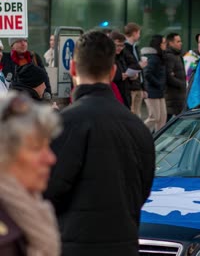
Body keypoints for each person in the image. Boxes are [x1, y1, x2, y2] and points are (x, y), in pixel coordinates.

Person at [44, 31, 155, 256]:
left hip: (71, 247)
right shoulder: (139, 128)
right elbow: (140, 192)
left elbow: (46, 192)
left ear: (73, 68)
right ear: (113, 71)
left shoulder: (62, 125)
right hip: (125, 246)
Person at [0, 92, 61, 256]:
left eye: (48, 146)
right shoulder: (5, 242)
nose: (51, 158)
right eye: (36, 148)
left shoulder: (29, 208)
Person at [141, 35, 167, 132]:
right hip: (152, 92)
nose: (165, 45)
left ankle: (157, 141)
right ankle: (136, 132)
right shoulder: (153, 57)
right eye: (164, 43)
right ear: (159, 45)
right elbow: (147, 73)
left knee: (162, 119)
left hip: (159, 92)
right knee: (154, 117)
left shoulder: (159, 57)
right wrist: (158, 83)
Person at [124, 23, 147, 117]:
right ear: (134, 33)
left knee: (138, 115)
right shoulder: (125, 48)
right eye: (138, 33)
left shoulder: (135, 47)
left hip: (138, 85)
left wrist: (143, 87)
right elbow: (127, 66)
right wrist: (139, 66)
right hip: (130, 86)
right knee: (131, 114)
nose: (139, 35)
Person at [165, 33, 187, 120]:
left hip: (179, 95)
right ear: (170, 43)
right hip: (173, 95)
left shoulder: (178, 55)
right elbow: (169, 76)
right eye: (178, 41)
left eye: (180, 41)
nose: (180, 43)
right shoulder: (170, 56)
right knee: (167, 119)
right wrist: (182, 84)